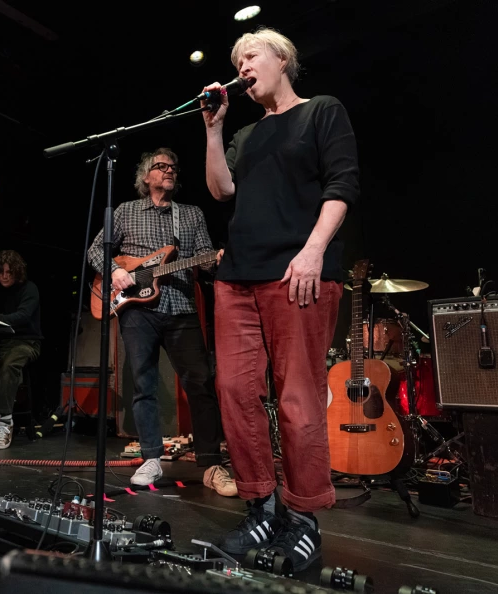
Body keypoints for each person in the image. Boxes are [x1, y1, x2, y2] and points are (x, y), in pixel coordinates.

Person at [201, 27, 359, 568]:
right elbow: (222, 191)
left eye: (251, 55)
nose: (242, 65)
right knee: (234, 390)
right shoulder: (246, 133)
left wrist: (314, 251)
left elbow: (342, 186)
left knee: (297, 397)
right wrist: (215, 130)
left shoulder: (321, 111)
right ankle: (261, 505)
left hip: (297, 272)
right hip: (237, 276)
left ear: (283, 58)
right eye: (236, 59)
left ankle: (303, 516)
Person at [87, 147, 236, 497]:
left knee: (200, 382)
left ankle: (212, 464)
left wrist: (217, 260)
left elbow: (207, 262)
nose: (169, 170)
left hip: (181, 306)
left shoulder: (191, 214)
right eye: (161, 166)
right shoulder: (125, 211)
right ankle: (151, 456)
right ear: (146, 176)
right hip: (137, 311)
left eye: (173, 166)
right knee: (144, 385)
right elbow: (95, 251)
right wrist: (118, 271)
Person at [0, 250, 43, 450]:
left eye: (9, 272)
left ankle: (5, 423)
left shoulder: (29, 289)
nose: (5, 276)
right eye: (1, 272)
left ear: (17, 272)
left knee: (9, 365)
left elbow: (23, 316)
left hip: (26, 342)